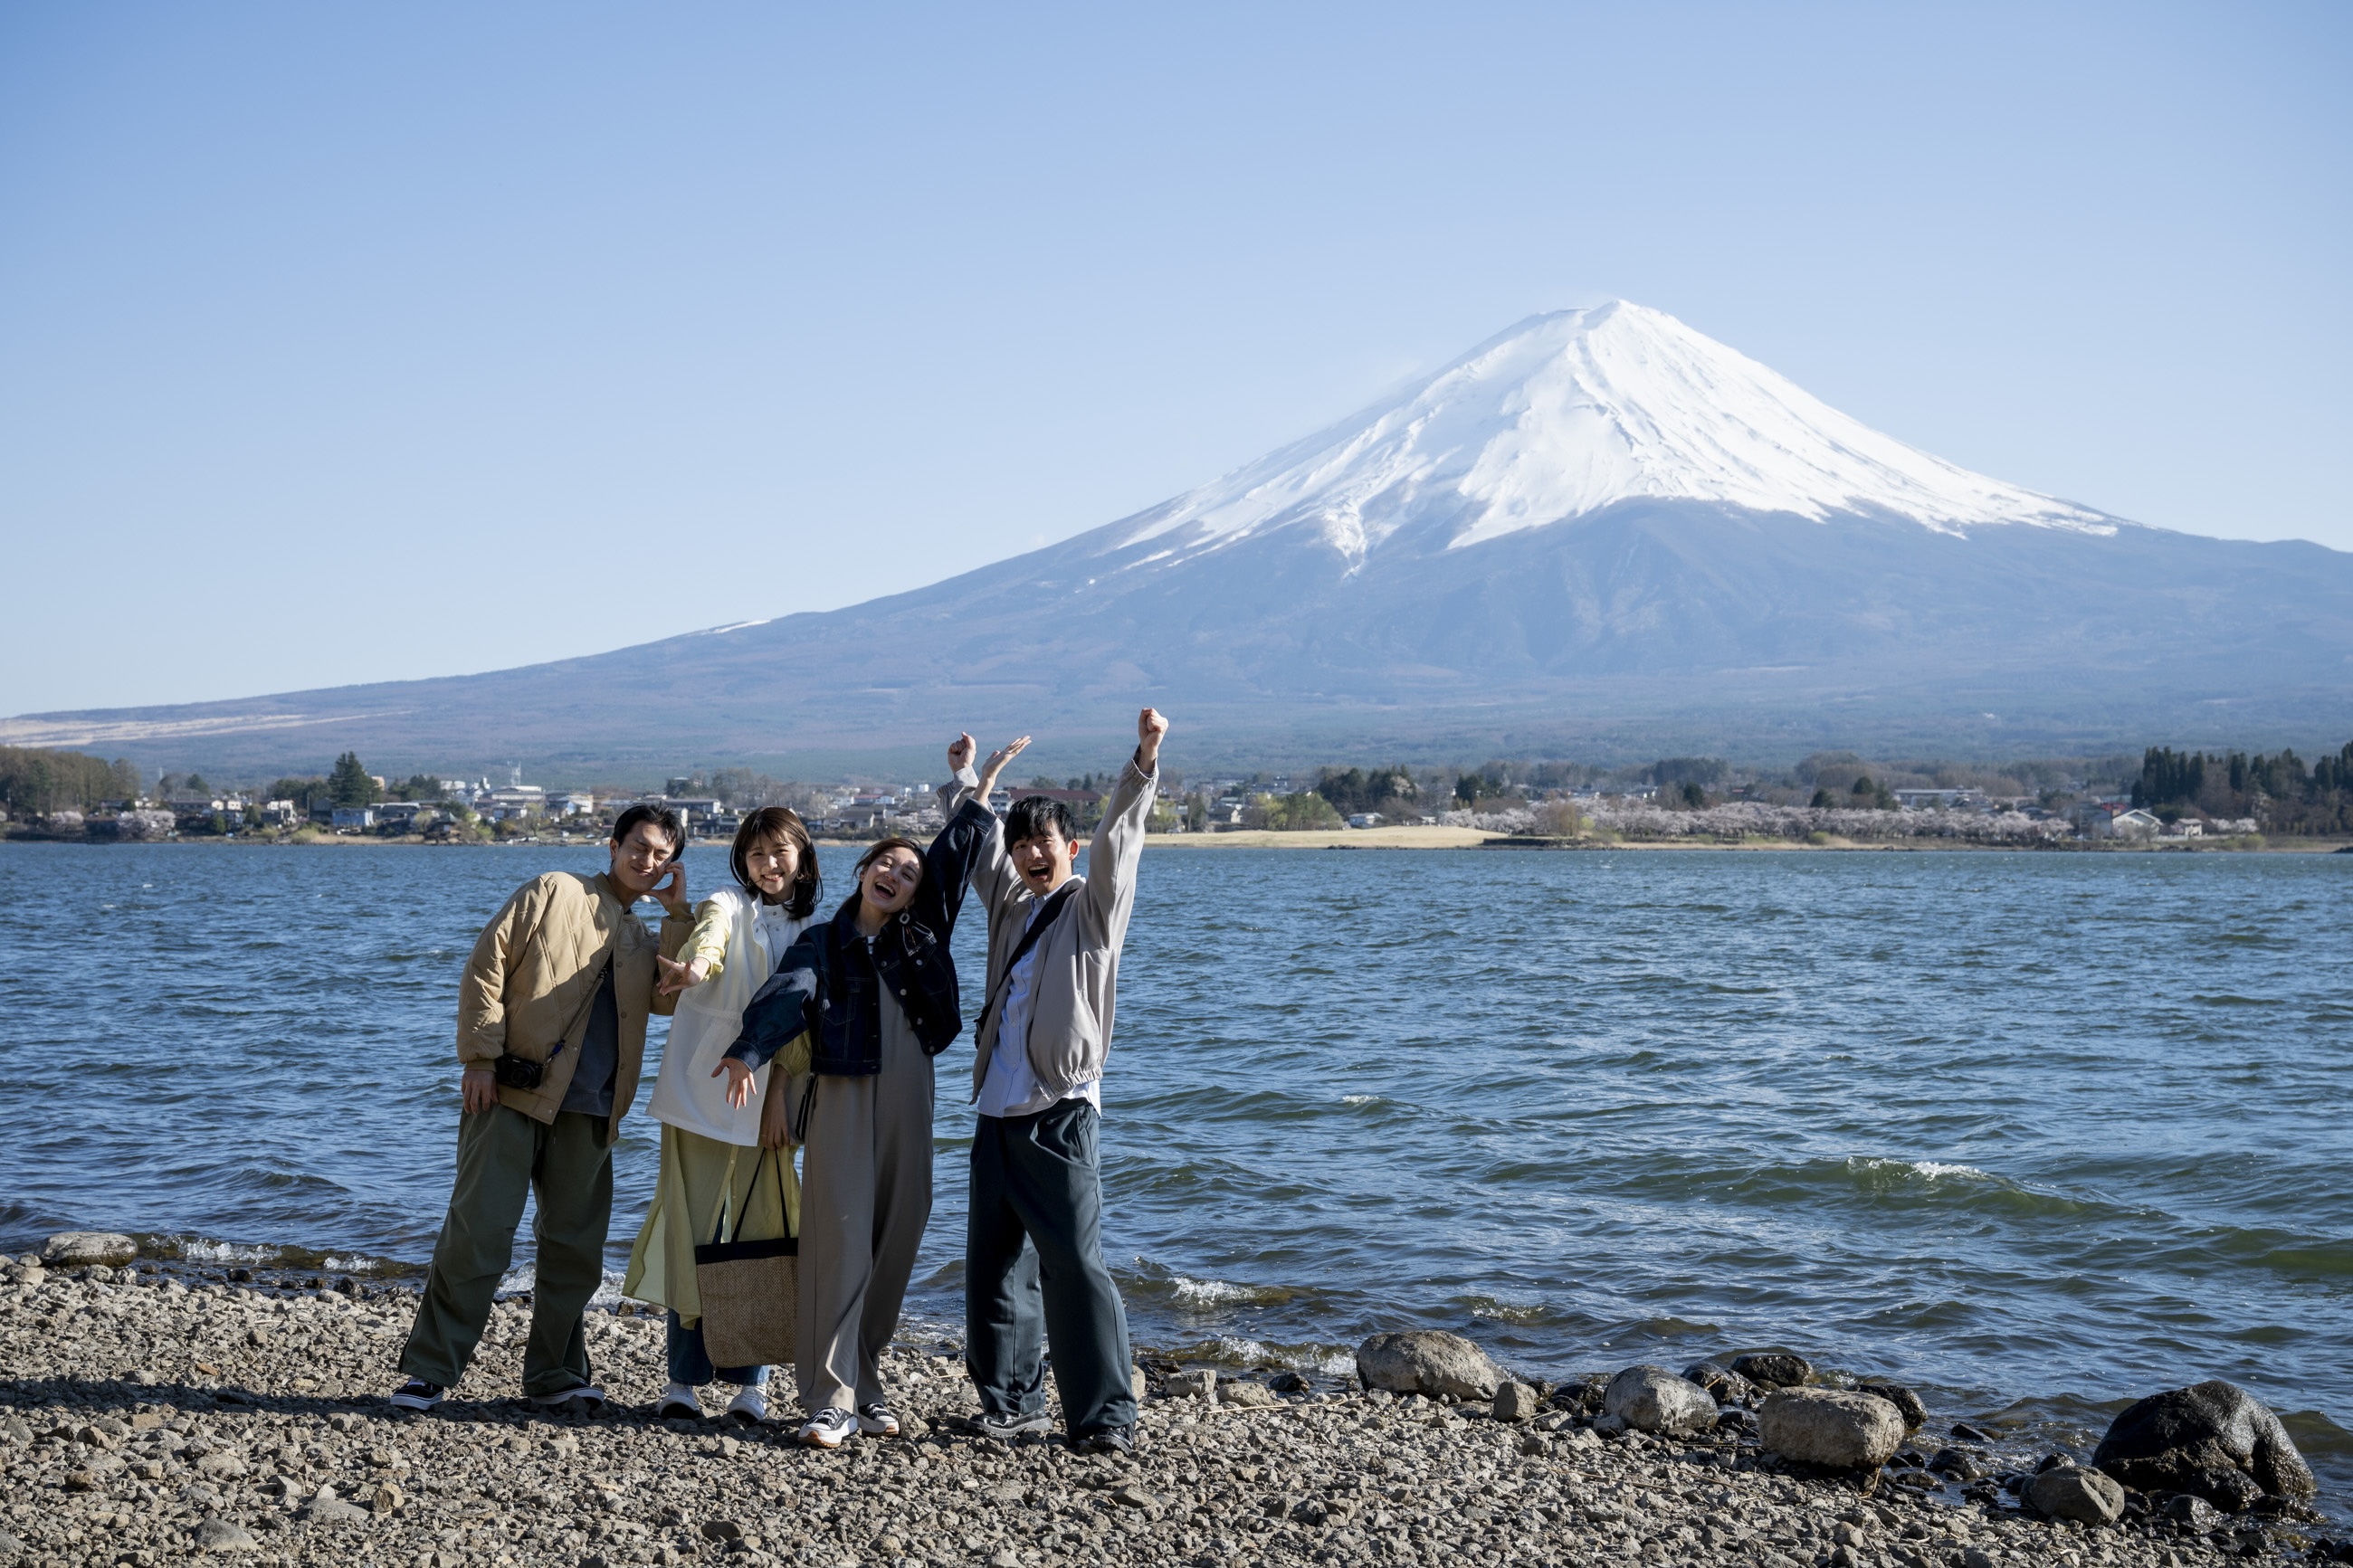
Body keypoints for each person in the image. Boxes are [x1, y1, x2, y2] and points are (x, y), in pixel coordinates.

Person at [718, 734, 1030, 1448]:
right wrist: (748, 1051)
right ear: (864, 870)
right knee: (840, 1239)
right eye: (886, 862)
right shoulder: (824, 942)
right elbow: (790, 991)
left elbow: (954, 852)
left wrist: (978, 784)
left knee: (900, 1228)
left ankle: (865, 1374)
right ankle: (828, 1395)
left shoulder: (922, 930)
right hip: (842, 1093)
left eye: (909, 872)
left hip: (910, 1092)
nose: (896, 873)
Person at [389, 803, 691, 1414]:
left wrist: (679, 915)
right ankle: (428, 1371)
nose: (648, 860)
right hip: (508, 1091)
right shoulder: (554, 890)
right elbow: (487, 964)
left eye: (662, 854)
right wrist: (479, 1057)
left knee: (574, 1251)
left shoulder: (642, 936)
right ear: (613, 845)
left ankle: (556, 1374)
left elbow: (671, 999)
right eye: (639, 846)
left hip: (593, 1110)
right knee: (478, 1233)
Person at [952, 707, 1166, 1455]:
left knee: (1074, 1264)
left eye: (1043, 841)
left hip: (1060, 1109)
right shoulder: (1011, 907)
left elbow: (1120, 844)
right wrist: (971, 780)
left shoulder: (1093, 909)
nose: (1029, 853)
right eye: (1021, 844)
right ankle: (1012, 1404)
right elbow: (977, 852)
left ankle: (1105, 1415)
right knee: (994, 1269)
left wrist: (1142, 763)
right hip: (995, 1111)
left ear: (1070, 847)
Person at [620, 806, 823, 1423]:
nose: (768, 865)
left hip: (771, 1103)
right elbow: (709, 938)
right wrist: (696, 966)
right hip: (702, 1091)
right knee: (694, 1228)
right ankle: (682, 1380)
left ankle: (750, 1385)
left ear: (802, 856)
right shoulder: (727, 902)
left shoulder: (819, 925)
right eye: (756, 854)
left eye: (779, 852)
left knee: (762, 1231)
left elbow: (805, 1016)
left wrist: (780, 1092)